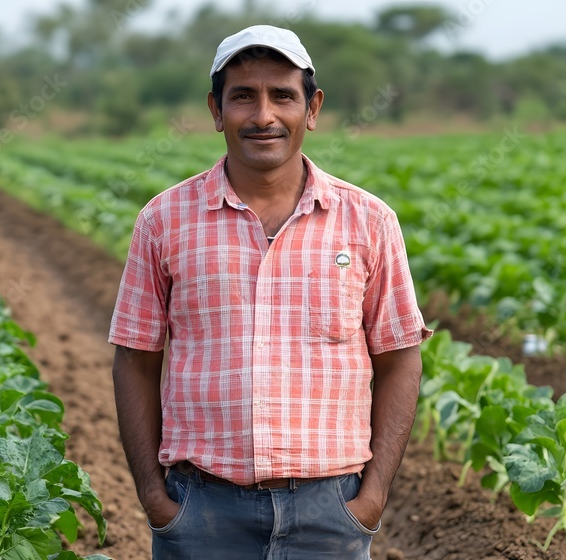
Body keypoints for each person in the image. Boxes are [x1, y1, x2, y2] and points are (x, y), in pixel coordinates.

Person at [108, 24, 432, 559]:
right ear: (216, 110)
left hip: (331, 513)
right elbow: (135, 359)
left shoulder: (369, 221)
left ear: (312, 107)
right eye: (243, 97)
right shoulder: (163, 221)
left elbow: (400, 359)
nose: (263, 116)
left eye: (283, 95)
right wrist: (152, 495)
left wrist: (372, 496)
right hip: (200, 512)